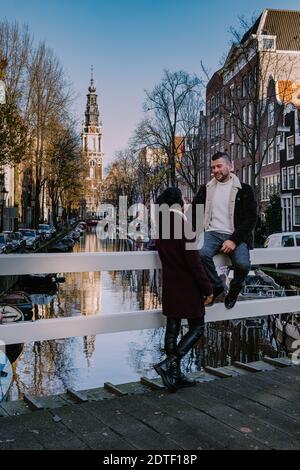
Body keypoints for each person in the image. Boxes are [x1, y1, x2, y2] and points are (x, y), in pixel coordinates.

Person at [153, 187, 213, 392]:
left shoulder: (160, 225)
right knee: (197, 327)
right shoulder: (181, 223)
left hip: (170, 284)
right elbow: (194, 261)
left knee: (172, 330)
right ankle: (169, 364)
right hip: (187, 286)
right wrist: (207, 287)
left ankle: (174, 377)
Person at [193, 151, 257, 309]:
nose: (215, 170)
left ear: (230, 166)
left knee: (242, 265)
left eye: (219, 166)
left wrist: (234, 240)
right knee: (200, 253)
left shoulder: (244, 189)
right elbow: (194, 213)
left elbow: (251, 219)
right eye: (213, 167)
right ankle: (216, 286)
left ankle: (235, 289)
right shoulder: (205, 189)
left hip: (236, 234)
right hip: (212, 232)